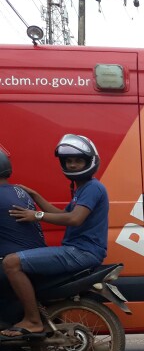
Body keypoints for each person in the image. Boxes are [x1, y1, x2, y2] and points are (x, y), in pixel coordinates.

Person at [3, 134, 109, 338]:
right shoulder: (83, 189)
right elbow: (63, 215)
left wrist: (36, 215)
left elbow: (75, 219)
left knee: (11, 263)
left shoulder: (93, 187)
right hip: (78, 250)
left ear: (89, 161)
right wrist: (35, 196)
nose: (72, 165)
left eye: (77, 161)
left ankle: (33, 321)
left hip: (82, 252)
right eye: (68, 161)